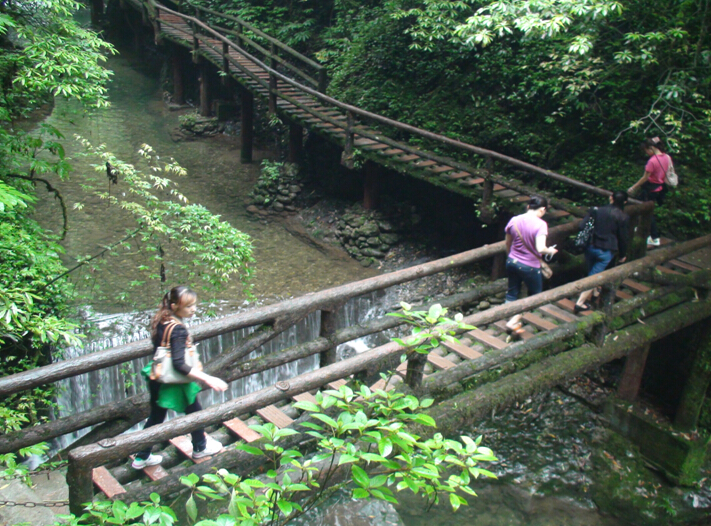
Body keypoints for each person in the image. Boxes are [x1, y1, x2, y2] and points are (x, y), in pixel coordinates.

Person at [132, 286, 228, 469]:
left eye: (194, 305)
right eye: (189, 306)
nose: (194, 310)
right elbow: (179, 364)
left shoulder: (162, 320)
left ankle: (142, 456)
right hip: (174, 381)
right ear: (175, 305)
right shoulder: (178, 330)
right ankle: (200, 447)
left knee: (156, 417)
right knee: (196, 414)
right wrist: (207, 378)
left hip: (157, 376)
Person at [504, 196, 558, 336]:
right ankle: (513, 321)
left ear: (528, 207)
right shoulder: (541, 225)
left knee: (512, 292)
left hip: (512, 261)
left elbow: (507, 243)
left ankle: (507, 315)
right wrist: (550, 250)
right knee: (535, 297)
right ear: (542, 209)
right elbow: (541, 248)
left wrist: (511, 256)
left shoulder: (514, 220)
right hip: (529, 266)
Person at [574, 191, 630, 313]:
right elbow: (623, 238)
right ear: (625, 202)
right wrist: (623, 255)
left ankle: (594, 292)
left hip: (591, 245)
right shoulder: (623, 217)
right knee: (594, 276)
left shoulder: (597, 210)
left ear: (611, 198)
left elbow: (582, 225)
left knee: (592, 271)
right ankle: (580, 303)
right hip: (606, 251)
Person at [627, 137, 673, 246]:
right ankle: (638, 227)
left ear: (651, 148)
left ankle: (654, 237)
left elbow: (645, 177)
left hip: (650, 189)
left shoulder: (652, 161)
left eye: (646, 150)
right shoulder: (666, 157)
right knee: (641, 207)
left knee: (646, 211)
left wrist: (633, 187)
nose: (646, 153)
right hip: (659, 188)